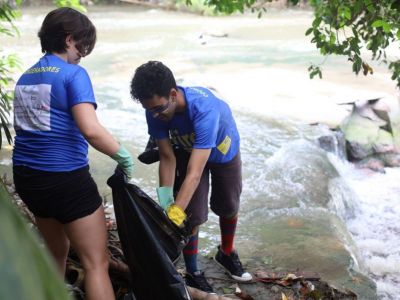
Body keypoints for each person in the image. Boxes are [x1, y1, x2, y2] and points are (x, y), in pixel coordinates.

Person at [12, 8, 133, 300]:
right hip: (65, 180)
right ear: (69, 40)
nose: (83, 54)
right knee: (96, 263)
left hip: (28, 178)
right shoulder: (73, 74)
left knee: (55, 255)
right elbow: (91, 129)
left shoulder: (26, 77)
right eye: (82, 46)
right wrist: (123, 156)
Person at [130, 61, 252, 293]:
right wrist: (167, 199)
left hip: (222, 150)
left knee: (227, 205)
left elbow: (195, 173)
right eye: (150, 110)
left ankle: (226, 253)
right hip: (186, 149)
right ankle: (193, 272)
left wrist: (174, 214)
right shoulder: (154, 111)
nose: (155, 114)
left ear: (173, 94)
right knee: (192, 215)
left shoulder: (204, 109)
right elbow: (167, 157)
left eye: (159, 109)